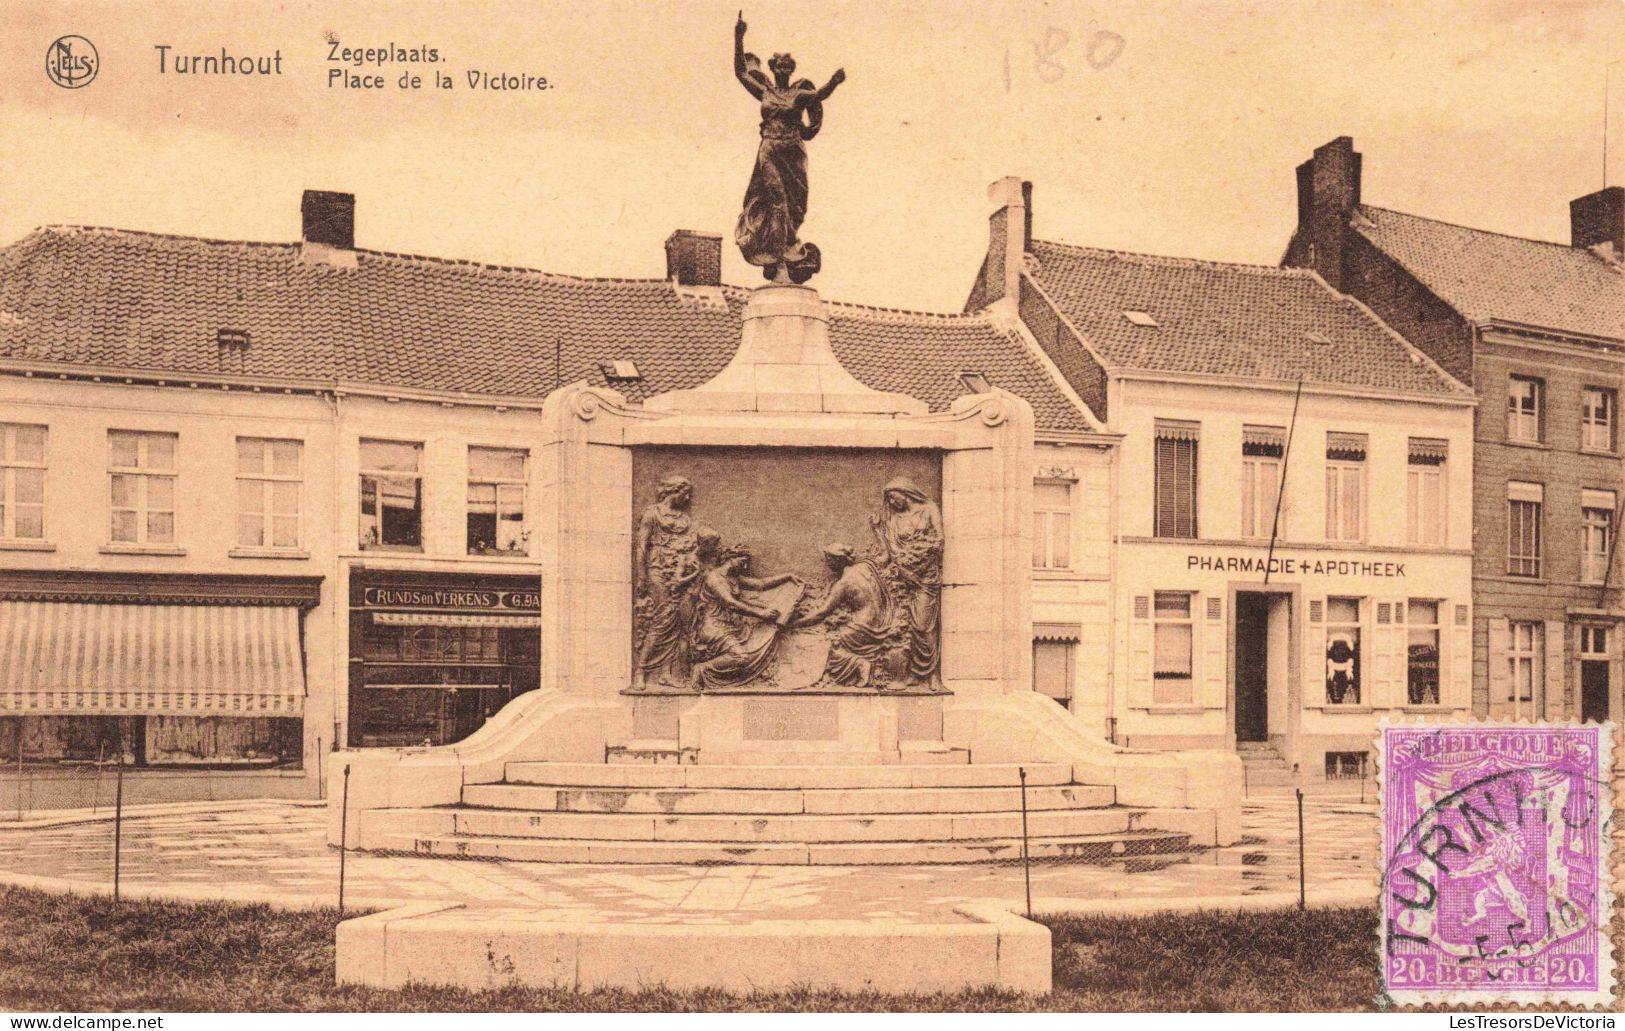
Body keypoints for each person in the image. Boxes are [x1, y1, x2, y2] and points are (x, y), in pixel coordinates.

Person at [733, 13, 845, 284]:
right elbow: (740, 72)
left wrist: (835, 81)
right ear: (773, 69)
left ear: (791, 70)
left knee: (797, 206)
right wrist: (739, 36)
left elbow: (820, 94)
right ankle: (779, 255)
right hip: (770, 148)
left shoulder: (799, 94)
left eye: (787, 66)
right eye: (779, 66)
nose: (783, 70)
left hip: (793, 152)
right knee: (776, 200)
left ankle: (789, 251)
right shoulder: (766, 92)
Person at [689, 542, 804, 691]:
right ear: (731, 558)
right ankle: (701, 669)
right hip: (713, 627)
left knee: (759, 640)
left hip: (732, 626)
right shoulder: (715, 578)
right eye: (743, 562)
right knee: (741, 657)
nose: (744, 567)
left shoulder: (733, 577)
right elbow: (730, 603)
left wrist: (786, 576)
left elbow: (760, 584)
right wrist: (760, 613)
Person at [789, 543, 898, 688]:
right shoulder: (865, 567)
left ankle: (860, 664)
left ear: (838, 561)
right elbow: (885, 556)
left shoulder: (843, 584)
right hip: (883, 620)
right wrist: (878, 529)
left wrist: (795, 623)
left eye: (829, 560)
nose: (827, 564)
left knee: (825, 646)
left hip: (861, 627)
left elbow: (821, 613)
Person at [870, 476, 943, 681]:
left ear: (905, 492)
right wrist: (877, 530)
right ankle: (915, 674)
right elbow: (890, 553)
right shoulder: (894, 520)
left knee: (923, 625)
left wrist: (919, 568)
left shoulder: (929, 509)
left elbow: (939, 541)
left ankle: (932, 674)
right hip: (904, 579)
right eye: (890, 500)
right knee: (907, 627)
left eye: (894, 498)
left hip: (925, 578)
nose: (892, 503)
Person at [633, 476, 699, 689]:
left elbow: (690, 548)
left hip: (680, 572)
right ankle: (641, 671)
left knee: (677, 624)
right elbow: (642, 546)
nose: (687, 498)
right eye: (684, 493)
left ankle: (665, 673)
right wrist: (642, 576)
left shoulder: (684, 520)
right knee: (662, 620)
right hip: (658, 572)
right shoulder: (652, 514)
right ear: (674, 491)